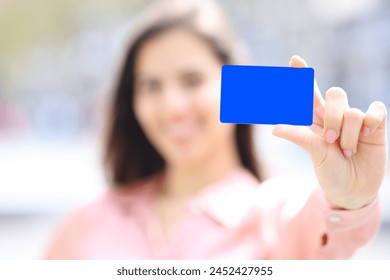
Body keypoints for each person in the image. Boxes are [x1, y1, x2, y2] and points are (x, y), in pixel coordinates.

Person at [44, 0, 387, 259]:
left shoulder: (278, 220)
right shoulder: (87, 222)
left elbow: (327, 236)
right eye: (150, 86)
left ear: (236, 86)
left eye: (192, 80)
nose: (172, 106)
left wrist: (348, 201)